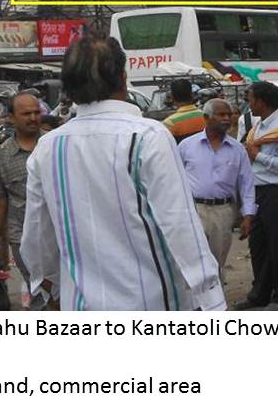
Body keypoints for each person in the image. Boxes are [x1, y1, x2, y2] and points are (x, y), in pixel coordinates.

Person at [20, 36, 225, 311]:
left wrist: (48, 286)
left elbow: (36, 238)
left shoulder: (47, 148)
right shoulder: (147, 136)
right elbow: (180, 226)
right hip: (152, 305)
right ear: (123, 78)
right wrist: (211, 299)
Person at [178, 99, 256, 289]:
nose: (227, 119)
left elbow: (246, 182)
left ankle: (215, 306)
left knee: (216, 262)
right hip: (193, 210)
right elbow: (174, 179)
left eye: (229, 115)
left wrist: (248, 214)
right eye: (221, 115)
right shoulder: (187, 146)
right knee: (192, 261)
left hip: (223, 212)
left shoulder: (237, 149)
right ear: (206, 118)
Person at [237, 81, 278, 310]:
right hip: (258, 192)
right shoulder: (258, 127)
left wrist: (257, 156)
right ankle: (260, 293)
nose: (249, 103)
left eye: (251, 99)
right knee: (259, 244)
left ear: (262, 102)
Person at [0, 93, 46, 309]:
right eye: (26, 113)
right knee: (38, 287)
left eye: (37, 112)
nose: (33, 118)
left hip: (58, 232)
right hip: (22, 236)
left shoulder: (55, 145)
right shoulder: (1, 156)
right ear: (11, 117)